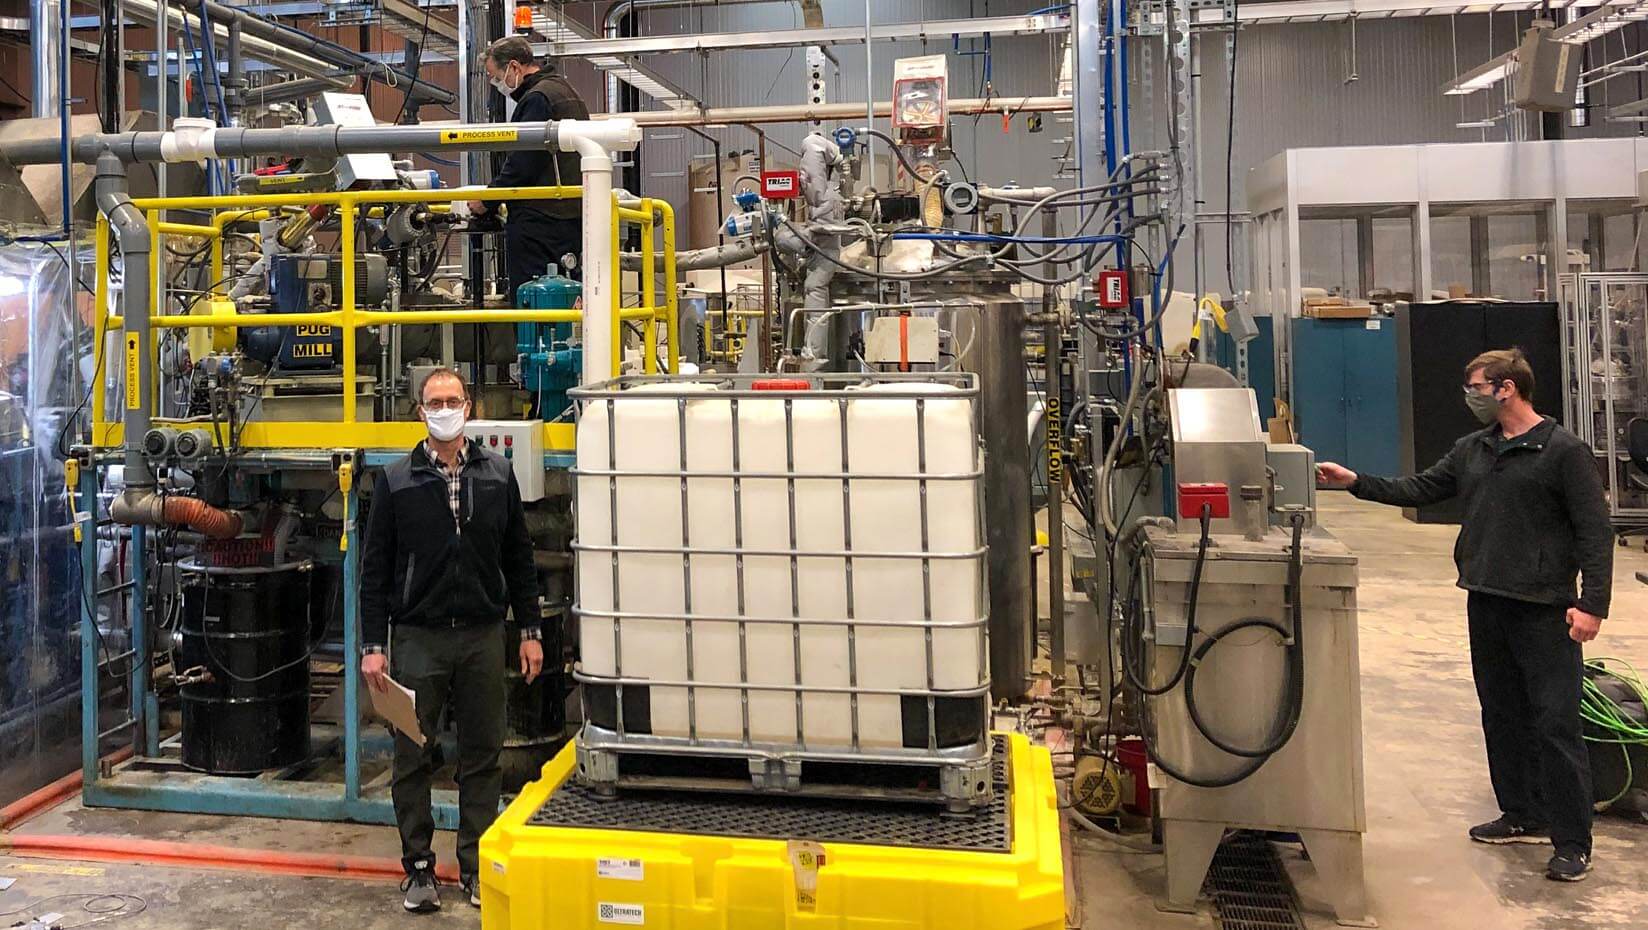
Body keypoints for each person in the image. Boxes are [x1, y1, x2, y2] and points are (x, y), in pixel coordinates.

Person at [1316, 348, 1611, 883]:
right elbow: (1420, 489)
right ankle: (1523, 812)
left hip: (1544, 607)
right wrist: (1354, 482)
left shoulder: (1563, 451)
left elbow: (1595, 532)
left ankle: (1572, 840)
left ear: (1506, 388)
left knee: (1555, 724)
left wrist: (1592, 605)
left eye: (1475, 386)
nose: (1469, 395)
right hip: (1486, 596)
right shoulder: (1474, 449)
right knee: (1500, 714)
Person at [360, 368, 544, 912]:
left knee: (482, 757)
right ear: (420, 411)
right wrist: (374, 644)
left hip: (483, 637)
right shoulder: (395, 482)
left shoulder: (498, 474)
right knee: (412, 755)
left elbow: (520, 558)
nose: (444, 409)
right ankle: (418, 868)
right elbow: (375, 572)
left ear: (470, 406)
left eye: (452, 400)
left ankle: (476, 867)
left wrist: (529, 631)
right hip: (418, 640)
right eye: (434, 402)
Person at [468, 36, 590, 306]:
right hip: (572, 215)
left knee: (532, 301)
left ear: (514, 66)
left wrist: (486, 200)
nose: (495, 84)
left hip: (540, 221)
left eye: (495, 76)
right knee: (572, 300)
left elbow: (523, 164)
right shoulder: (565, 91)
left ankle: (534, 350)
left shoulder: (537, 99)